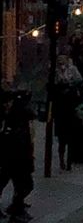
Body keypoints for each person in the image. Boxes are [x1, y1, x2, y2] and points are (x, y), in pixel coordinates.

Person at [0, 90, 35, 222]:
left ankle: (17, 207)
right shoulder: (16, 119)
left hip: (13, 156)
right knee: (22, 183)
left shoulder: (16, 118)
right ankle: (17, 210)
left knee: (12, 181)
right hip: (15, 156)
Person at [53, 55, 83, 170]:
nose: (61, 62)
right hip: (60, 109)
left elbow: (80, 83)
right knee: (61, 139)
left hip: (71, 107)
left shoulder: (73, 70)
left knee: (71, 137)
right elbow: (53, 86)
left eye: (63, 60)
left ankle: (69, 161)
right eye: (59, 60)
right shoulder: (54, 71)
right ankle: (61, 160)